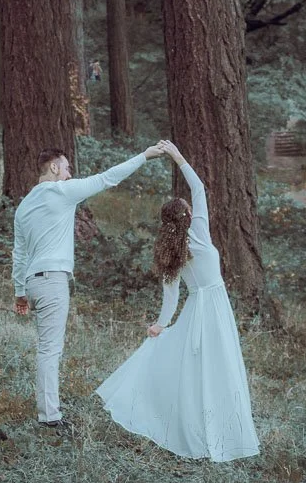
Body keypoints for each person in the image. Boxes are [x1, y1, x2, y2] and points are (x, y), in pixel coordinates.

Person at [95, 140, 260, 461]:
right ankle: (219, 429)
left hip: (196, 307)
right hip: (213, 304)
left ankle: (207, 424)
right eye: (190, 207)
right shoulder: (199, 231)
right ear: (187, 214)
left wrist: (161, 324)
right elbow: (198, 187)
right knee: (220, 366)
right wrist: (177, 156)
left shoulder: (171, 251)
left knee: (201, 369)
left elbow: (170, 297)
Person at [13, 144, 163, 432]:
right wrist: (145, 156)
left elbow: (19, 253)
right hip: (52, 280)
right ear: (54, 167)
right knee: (49, 350)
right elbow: (108, 177)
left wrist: (20, 292)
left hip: (33, 281)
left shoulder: (25, 205)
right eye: (67, 167)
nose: (70, 174)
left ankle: (49, 414)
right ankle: (49, 417)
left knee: (48, 349)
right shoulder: (61, 192)